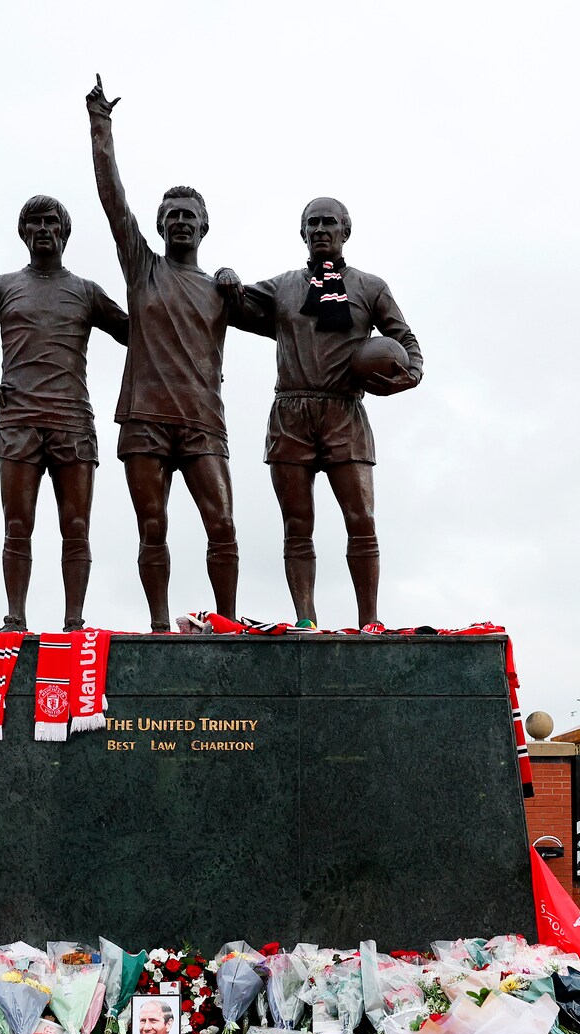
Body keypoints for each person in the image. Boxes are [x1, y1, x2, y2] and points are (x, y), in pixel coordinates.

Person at [218, 197, 422, 627]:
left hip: (344, 413)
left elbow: (407, 342)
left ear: (346, 230)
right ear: (302, 232)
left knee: (361, 520)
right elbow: (234, 304)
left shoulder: (370, 287)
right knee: (297, 525)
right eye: (312, 223)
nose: (320, 229)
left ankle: (369, 621)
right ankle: (305, 621)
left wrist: (409, 376)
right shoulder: (283, 287)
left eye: (329, 222)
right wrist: (225, 276)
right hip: (291, 414)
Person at [87, 74, 240, 630]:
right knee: (152, 528)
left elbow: (287, 321)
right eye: (171, 215)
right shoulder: (142, 267)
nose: (180, 222)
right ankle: (157, 626)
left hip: (202, 421)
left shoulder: (222, 289)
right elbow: (113, 199)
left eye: (188, 216)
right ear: (158, 226)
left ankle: (228, 624)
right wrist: (101, 126)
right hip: (145, 419)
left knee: (222, 526)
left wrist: (235, 283)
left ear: (204, 227)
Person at [0, 194, 128, 631]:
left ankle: (74, 622)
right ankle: (15, 618)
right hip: (18, 423)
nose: (44, 229)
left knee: (76, 527)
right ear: (24, 232)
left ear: (64, 232)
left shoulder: (86, 291)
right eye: (35, 222)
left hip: (72, 423)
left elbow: (137, 334)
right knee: (17, 525)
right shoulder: (2, 287)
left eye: (51, 222)